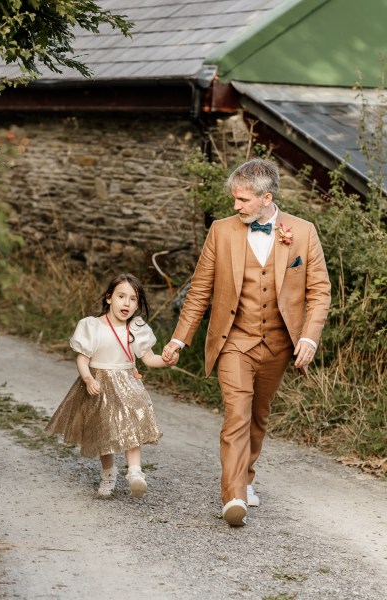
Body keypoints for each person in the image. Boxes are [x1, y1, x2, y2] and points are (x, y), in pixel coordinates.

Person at [162, 158, 331, 527]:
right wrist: (179, 339)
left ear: (265, 197)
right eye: (234, 199)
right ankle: (234, 495)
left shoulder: (302, 232)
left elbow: (320, 291)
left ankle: (247, 477)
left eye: (242, 200)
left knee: (258, 416)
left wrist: (309, 337)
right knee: (236, 414)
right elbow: (200, 291)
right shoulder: (221, 232)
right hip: (234, 341)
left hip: (279, 345)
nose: (235, 206)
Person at [45, 273, 178, 498]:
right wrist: (88, 379)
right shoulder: (92, 326)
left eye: (133, 299)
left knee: (132, 424)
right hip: (99, 382)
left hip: (127, 382)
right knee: (103, 430)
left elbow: (148, 358)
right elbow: (82, 358)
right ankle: (108, 472)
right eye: (121, 296)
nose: (126, 303)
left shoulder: (136, 327)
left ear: (138, 304)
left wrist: (166, 360)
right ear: (109, 298)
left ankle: (135, 473)